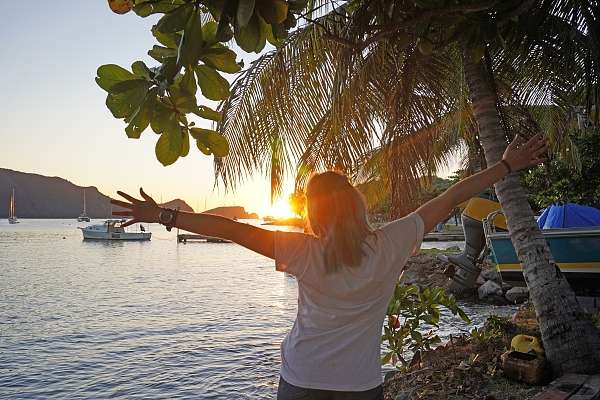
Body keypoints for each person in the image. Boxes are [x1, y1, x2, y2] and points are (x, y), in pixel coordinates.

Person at [111, 134, 547, 399]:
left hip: (303, 377)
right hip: (359, 384)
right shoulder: (393, 242)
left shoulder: (303, 250)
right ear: (356, 205)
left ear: (314, 214)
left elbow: (232, 230)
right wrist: (506, 165)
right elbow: (452, 196)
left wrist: (166, 216)